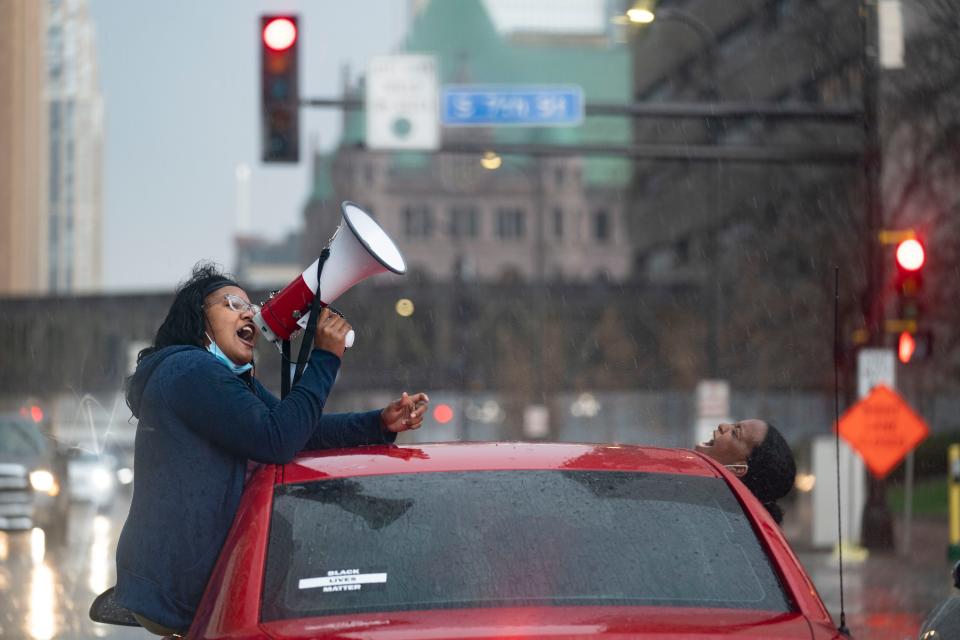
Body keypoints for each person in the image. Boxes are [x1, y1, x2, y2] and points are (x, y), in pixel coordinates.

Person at [113, 262, 429, 635]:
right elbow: (278, 439)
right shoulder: (190, 370)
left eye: (249, 306)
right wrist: (325, 358)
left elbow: (297, 430)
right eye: (230, 304)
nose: (247, 312)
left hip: (180, 584)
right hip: (180, 589)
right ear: (198, 321)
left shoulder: (219, 377)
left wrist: (377, 424)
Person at [694, 419, 796, 524]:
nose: (722, 425)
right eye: (733, 425)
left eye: (735, 433)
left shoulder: (708, 518)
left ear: (738, 468)